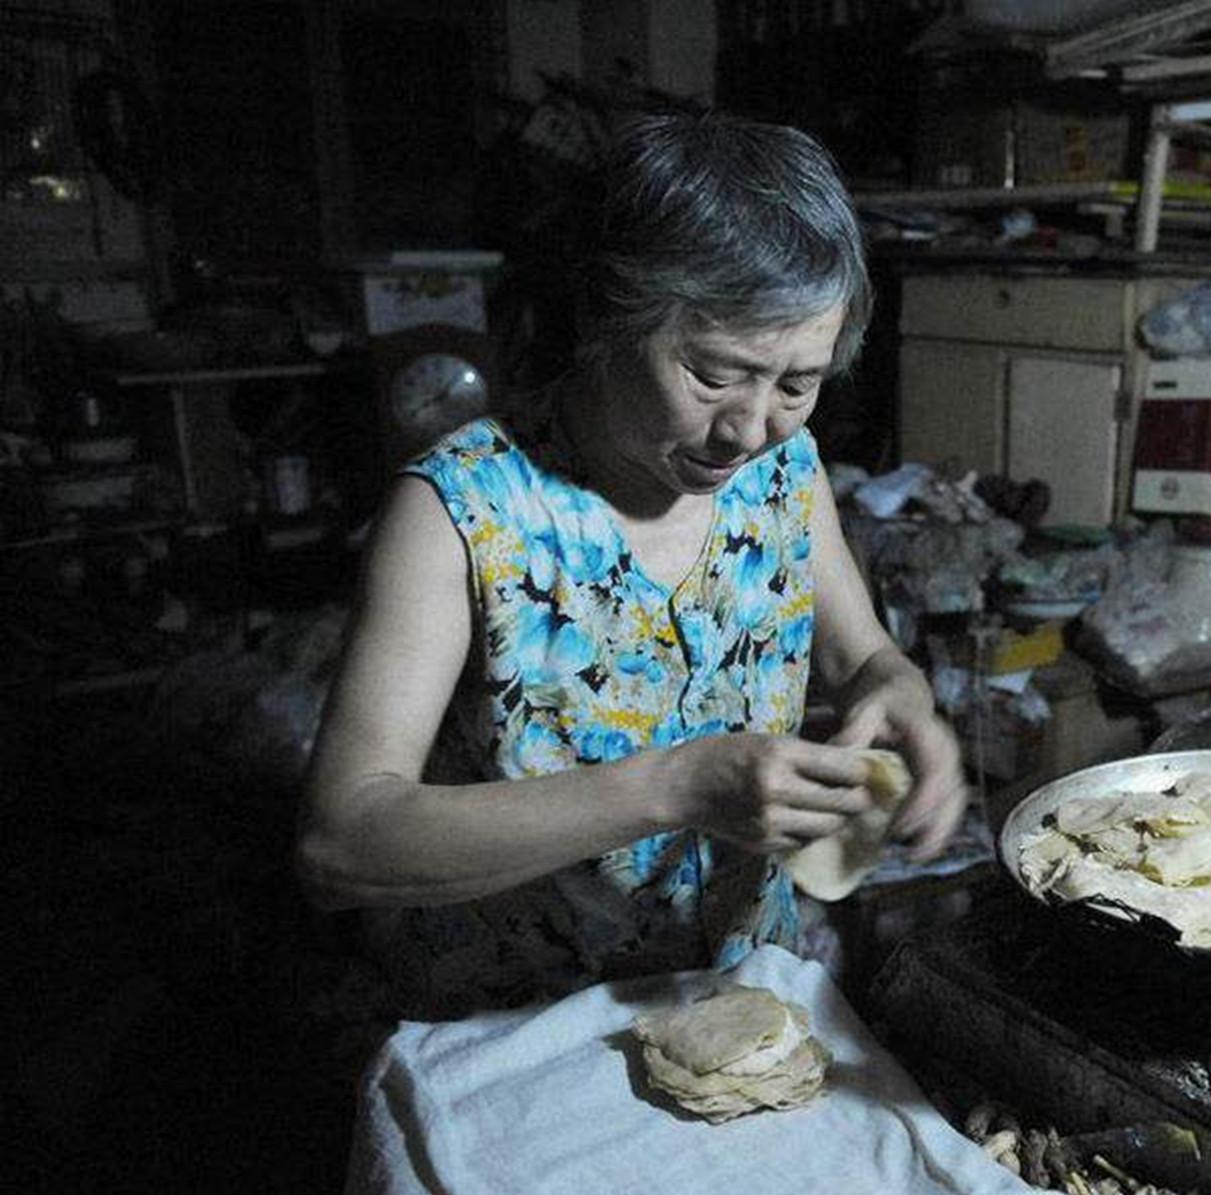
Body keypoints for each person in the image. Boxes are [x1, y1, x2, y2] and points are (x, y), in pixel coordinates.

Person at [295, 111, 966, 1016]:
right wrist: (678, 786)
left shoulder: (783, 471)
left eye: (796, 384)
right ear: (609, 317)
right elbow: (342, 842)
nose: (749, 429)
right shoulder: (462, 511)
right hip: (517, 1027)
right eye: (713, 375)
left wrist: (903, 696)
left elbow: (865, 658)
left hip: (735, 993)